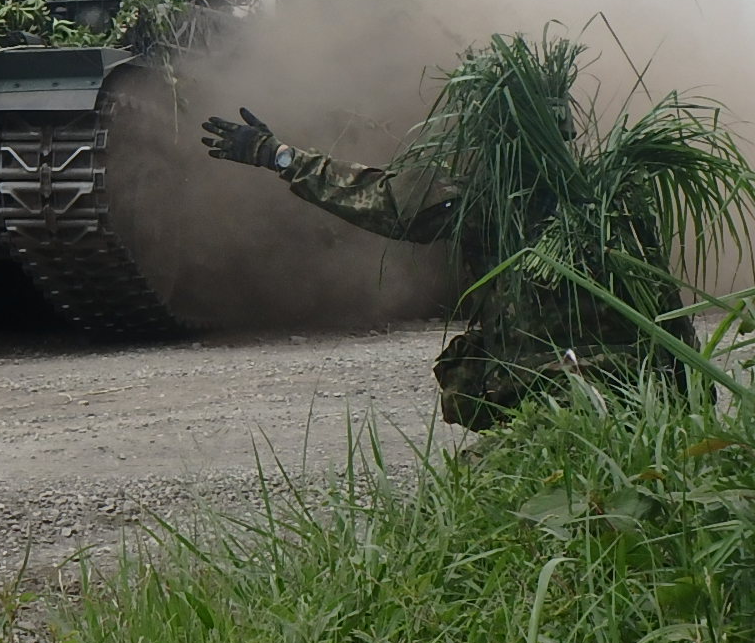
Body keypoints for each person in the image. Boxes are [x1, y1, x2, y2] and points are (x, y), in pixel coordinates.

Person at [199, 103, 691, 430]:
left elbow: (381, 198)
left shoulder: (486, 197)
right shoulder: (617, 201)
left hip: (547, 399)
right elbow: (670, 313)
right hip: (639, 401)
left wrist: (279, 155)